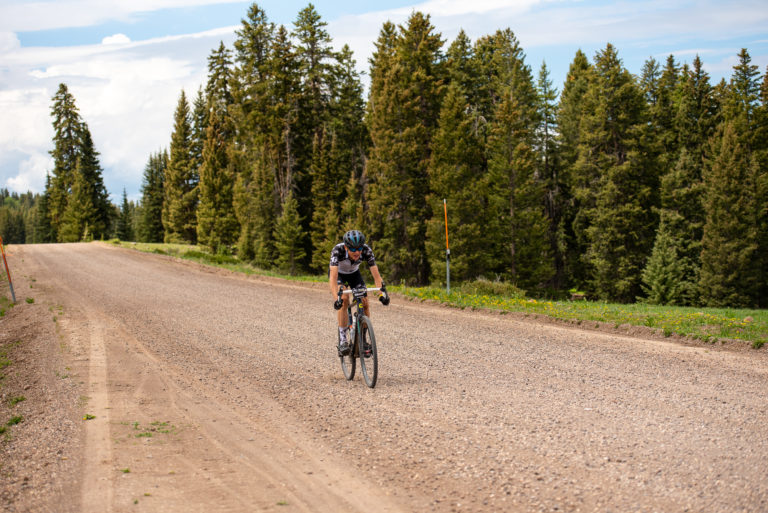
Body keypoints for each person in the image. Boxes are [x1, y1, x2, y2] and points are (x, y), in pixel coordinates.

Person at [329, 229, 388, 355]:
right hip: (340, 275)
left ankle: (363, 339)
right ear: (346, 247)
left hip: (354, 274)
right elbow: (333, 278)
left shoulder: (366, 251)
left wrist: (382, 295)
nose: (357, 252)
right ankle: (343, 340)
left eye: (359, 248)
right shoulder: (337, 250)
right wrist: (336, 299)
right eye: (353, 249)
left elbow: (376, 276)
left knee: (365, 302)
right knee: (344, 299)